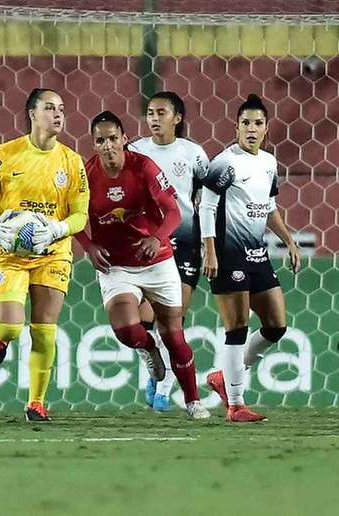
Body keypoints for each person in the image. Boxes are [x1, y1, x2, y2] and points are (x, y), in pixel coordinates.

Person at [0, 88, 89, 422]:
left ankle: (36, 402)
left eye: (61, 108)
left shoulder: (72, 162)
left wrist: (58, 230)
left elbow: (80, 215)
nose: (58, 114)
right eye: (49, 108)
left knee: (45, 329)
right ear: (32, 114)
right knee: (10, 327)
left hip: (53, 253)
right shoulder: (8, 154)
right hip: (9, 251)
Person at [75, 110, 210, 420]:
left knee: (175, 335)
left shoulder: (144, 167)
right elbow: (70, 216)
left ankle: (192, 400)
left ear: (124, 139)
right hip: (116, 266)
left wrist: (158, 238)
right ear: (94, 145)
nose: (107, 146)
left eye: (112, 138)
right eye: (100, 141)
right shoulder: (86, 176)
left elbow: (173, 212)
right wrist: (88, 244)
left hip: (156, 260)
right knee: (126, 332)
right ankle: (149, 349)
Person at [199, 94, 301, 423]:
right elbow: (207, 206)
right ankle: (235, 404)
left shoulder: (269, 163)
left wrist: (289, 241)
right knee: (238, 326)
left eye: (258, 123)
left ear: (266, 128)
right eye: (246, 123)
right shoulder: (225, 162)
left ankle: (223, 376)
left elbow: (268, 207)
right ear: (236, 127)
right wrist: (210, 250)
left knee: (276, 325)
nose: (252, 129)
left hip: (257, 254)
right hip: (228, 254)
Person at [128, 91, 210, 412]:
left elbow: (209, 201)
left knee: (174, 319)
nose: (154, 118)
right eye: (150, 112)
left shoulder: (194, 154)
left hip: (186, 243)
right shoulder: (135, 151)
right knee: (143, 320)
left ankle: (164, 384)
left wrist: (210, 245)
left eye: (161, 112)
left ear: (177, 118)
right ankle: (157, 365)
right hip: (149, 244)